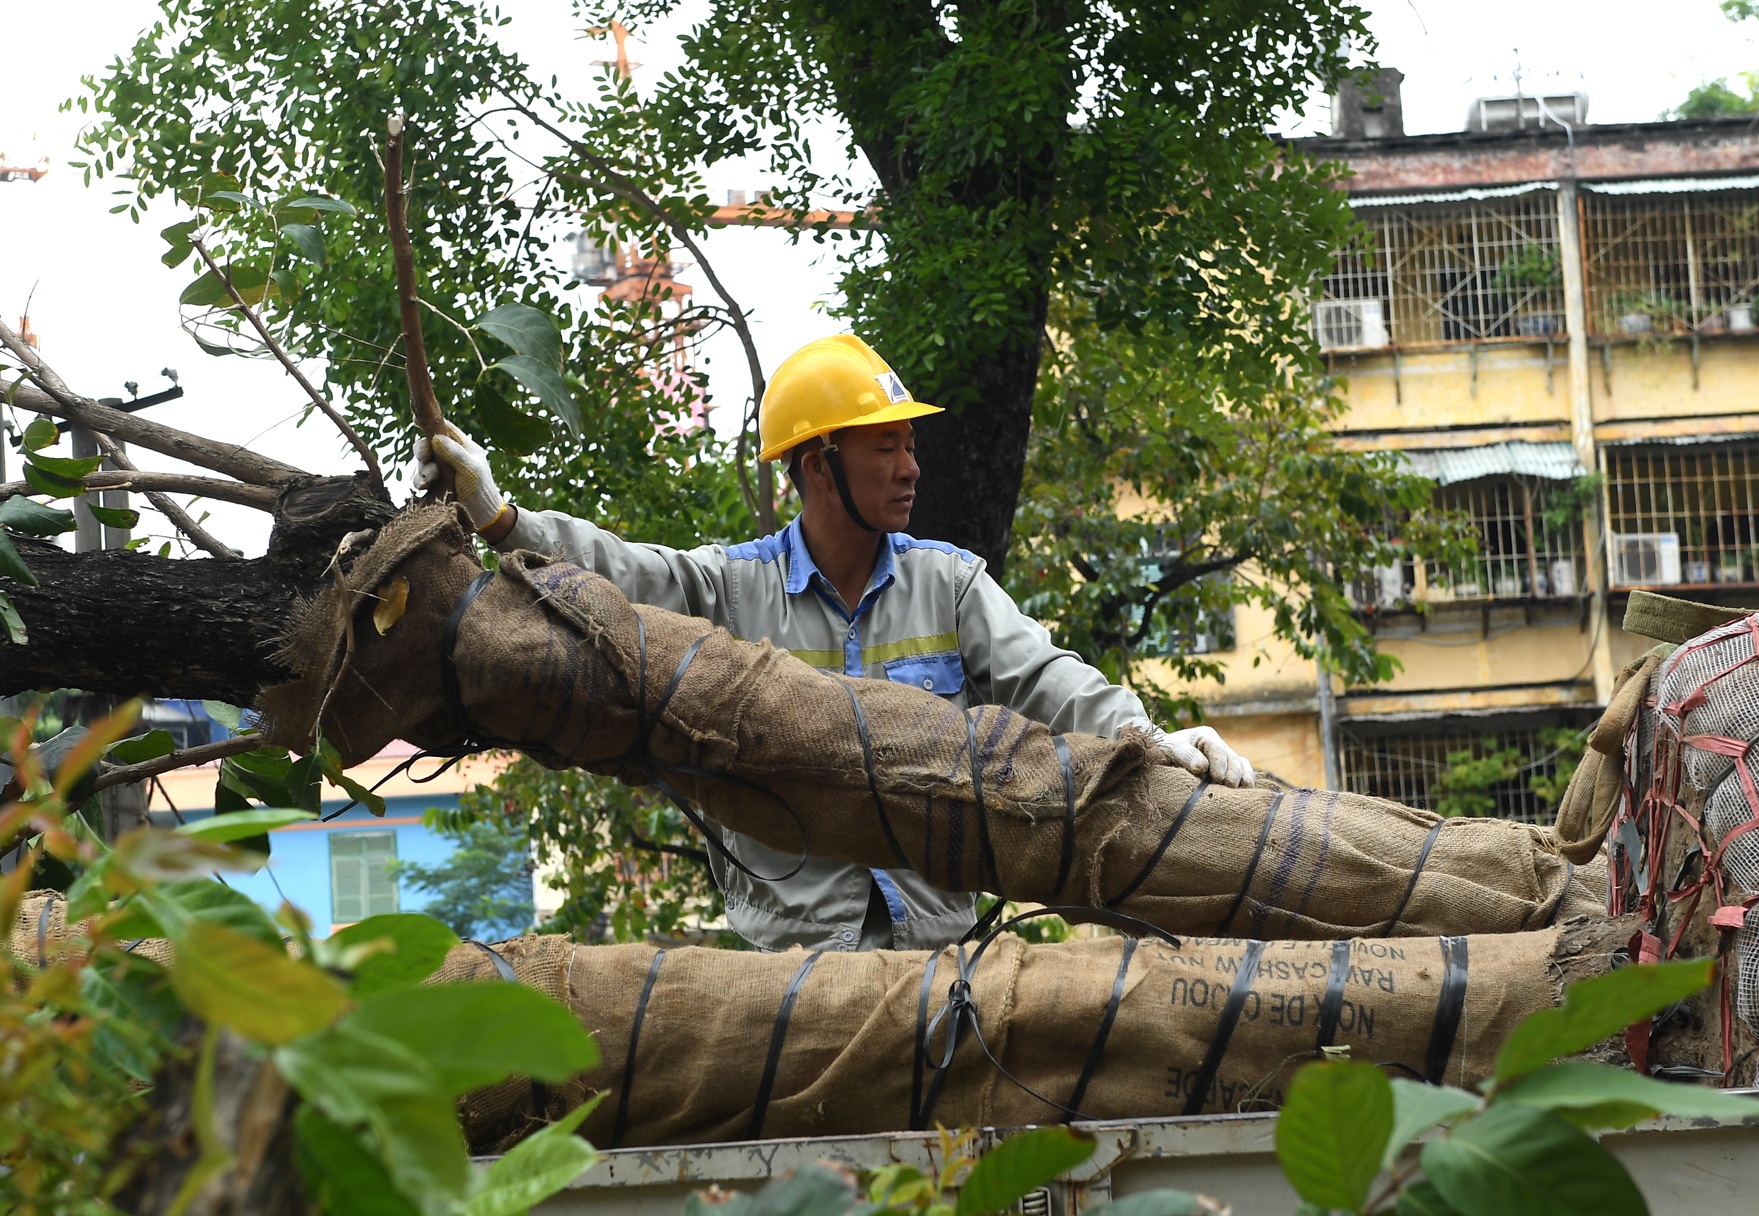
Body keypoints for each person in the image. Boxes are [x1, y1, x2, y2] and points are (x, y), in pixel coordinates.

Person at [412, 332, 1253, 952]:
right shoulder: (734, 591)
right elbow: (627, 575)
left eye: (910, 444)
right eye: (886, 445)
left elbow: (1047, 674)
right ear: (819, 467)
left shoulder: (948, 584)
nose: (911, 466)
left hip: (941, 951)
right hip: (796, 962)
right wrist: (498, 515)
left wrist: (1147, 734)